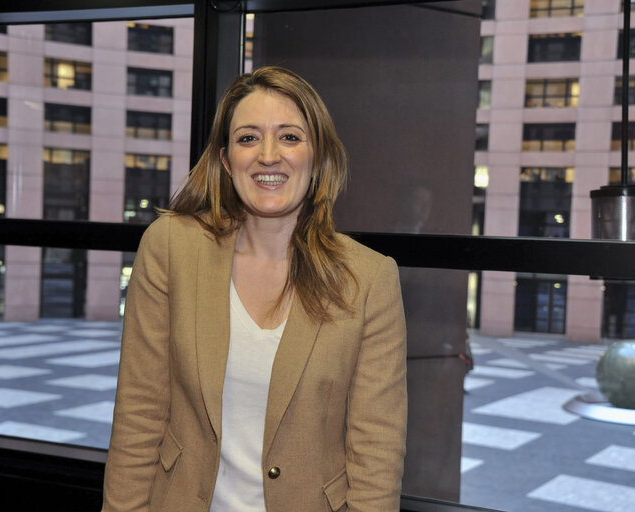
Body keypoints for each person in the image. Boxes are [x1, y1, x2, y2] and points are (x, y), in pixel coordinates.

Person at [102, 66, 407, 512]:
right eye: (248, 138)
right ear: (226, 160)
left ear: (317, 155)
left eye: (289, 137)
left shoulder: (368, 279)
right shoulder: (170, 247)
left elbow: (376, 453)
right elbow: (138, 415)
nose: (268, 155)